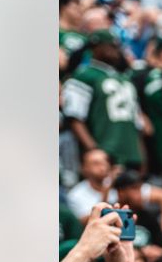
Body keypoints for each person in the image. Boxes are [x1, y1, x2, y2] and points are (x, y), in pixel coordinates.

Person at [62, 30, 145, 171]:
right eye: (109, 46)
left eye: (116, 46)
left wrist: (142, 157)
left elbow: (135, 124)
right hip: (103, 156)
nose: (115, 50)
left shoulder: (125, 79)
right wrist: (94, 150)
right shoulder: (84, 75)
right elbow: (74, 118)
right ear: (95, 47)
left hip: (131, 156)